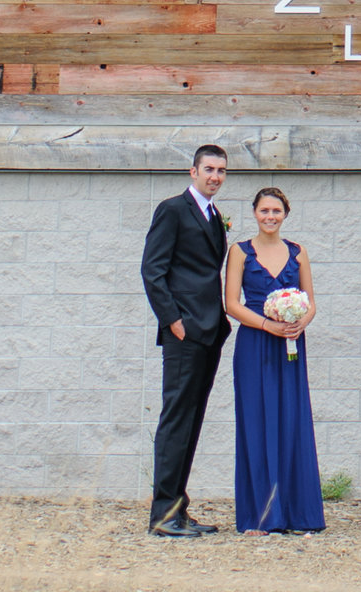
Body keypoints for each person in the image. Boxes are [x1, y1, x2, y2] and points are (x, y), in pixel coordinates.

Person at [139, 144, 232, 537]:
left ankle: (178, 509)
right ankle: (162, 515)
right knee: (176, 420)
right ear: (192, 171)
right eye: (208, 169)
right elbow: (152, 270)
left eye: (221, 171)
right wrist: (173, 321)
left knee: (191, 422)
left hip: (210, 333)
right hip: (184, 333)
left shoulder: (213, 216)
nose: (215, 176)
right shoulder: (173, 210)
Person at [222, 185, 323, 534]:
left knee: (291, 419)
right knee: (257, 421)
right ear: (255, 213)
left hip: (291, 345)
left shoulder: (298, 252)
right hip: (254, 343)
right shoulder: (239, 251)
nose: (270, 217)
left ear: (285, 215)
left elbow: (310, 302)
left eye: (276, 211)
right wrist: (268, 324)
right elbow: (231, 303)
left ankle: (297, 512)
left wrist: (299, 322)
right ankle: (262, 515)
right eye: (264, 211)